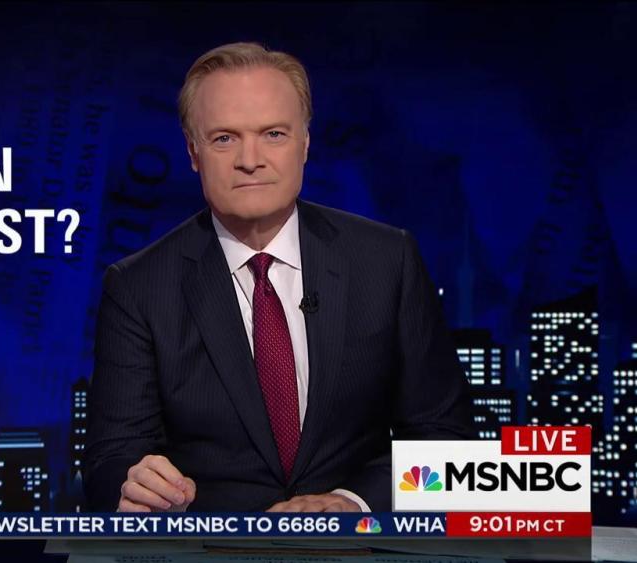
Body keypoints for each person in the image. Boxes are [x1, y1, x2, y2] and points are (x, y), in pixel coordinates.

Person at [83, 42, 473, 513]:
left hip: (361, 544)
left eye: (273, 134)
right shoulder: (139, 287)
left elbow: (447, 440)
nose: (250, 159)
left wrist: (353, 503)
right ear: (193, 152)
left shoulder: (388, 261)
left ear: (305, 143)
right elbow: (109, 461)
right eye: (224, 138)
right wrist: (135, 485)